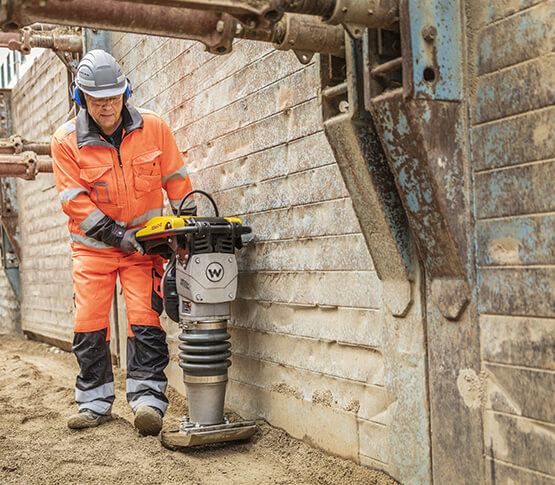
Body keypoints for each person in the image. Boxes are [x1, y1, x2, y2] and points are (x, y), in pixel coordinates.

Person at [51, 50, 196, 436]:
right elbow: (74, 202)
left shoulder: (155, 128)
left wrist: (185, 227)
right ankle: (94, 401)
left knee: (145, 321)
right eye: (98, 101)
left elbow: (178, 181)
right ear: (81, 99)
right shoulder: (66, 142)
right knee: (90, 323)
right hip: (93, 249)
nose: (108, 107)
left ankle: (147, 400)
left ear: (126, 92)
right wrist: (117, 235)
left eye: (114, 98)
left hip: (144, 250)